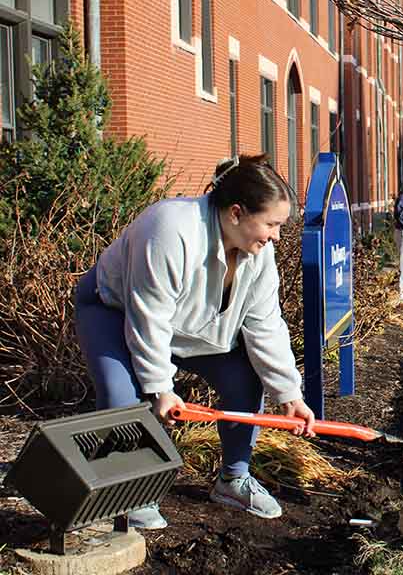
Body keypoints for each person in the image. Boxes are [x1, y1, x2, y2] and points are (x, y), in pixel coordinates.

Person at [74, 154, 316, 529]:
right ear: (236, 213)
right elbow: (148, 317)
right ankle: (128, 491)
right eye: (271, 224)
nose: (276, 236)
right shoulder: (169, 229)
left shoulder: (258, 253)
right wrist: (158, 389)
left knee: (245, 378)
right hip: (115, 310)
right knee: (121, 394)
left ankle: (233, 480)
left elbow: (265, 324)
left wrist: (290, 394)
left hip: (191, 329)